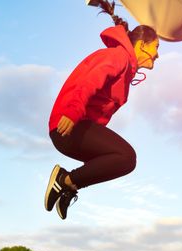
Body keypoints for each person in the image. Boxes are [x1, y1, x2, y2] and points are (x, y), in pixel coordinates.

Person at [44, 0, 159, 220]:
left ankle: (68, 185)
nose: (157, 55)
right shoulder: (118, 57)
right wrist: (73, 111)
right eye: (156, 47)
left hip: (75, 129)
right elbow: (87, 82)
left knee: (123, 160)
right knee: (126, 156)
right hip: (68, 124)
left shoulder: (127, 69)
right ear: (143, 44)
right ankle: (65, 181)